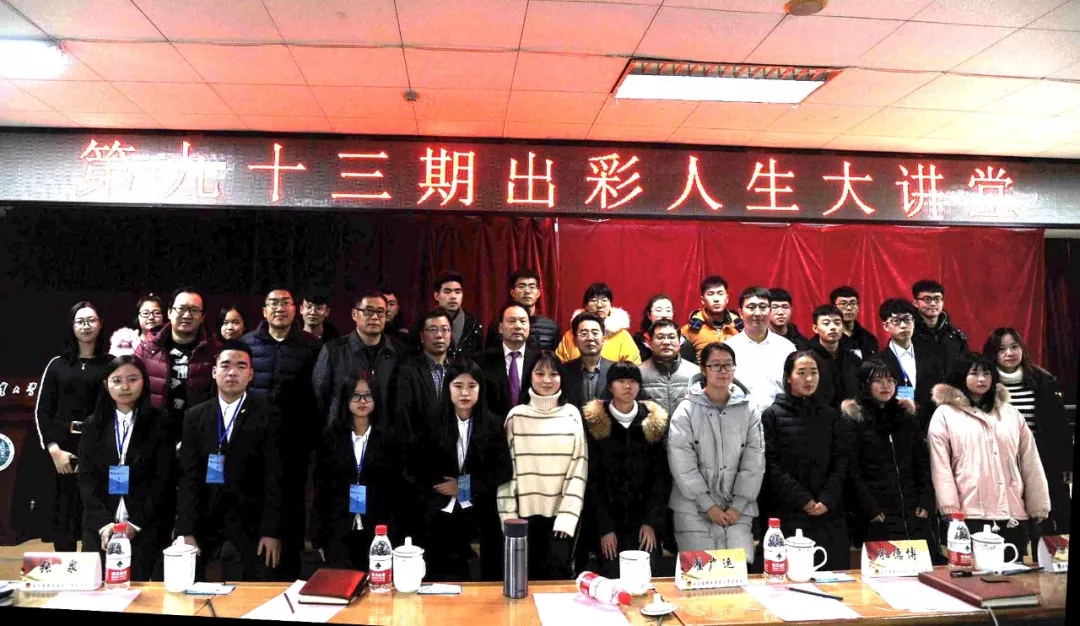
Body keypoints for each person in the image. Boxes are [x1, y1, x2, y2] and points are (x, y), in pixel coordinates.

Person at [176, 341, 283, 581]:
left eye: (241, 366)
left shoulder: (269, 414)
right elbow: (188, 477)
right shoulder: (195, 416)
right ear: (214, 372)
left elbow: (274, 477)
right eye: (225, 366)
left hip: (253, 525)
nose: (232, 372)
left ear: (251, 374)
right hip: (205, 523)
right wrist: (186, 531)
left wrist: (271, 531)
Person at [928, 353, 1051, 553]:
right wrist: (949, 508)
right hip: (969, 515)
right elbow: (940, 466)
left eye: (986, 373)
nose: (982, 379)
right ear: (961, 376)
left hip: (1012, 513)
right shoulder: (945, 414)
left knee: (1016, 569)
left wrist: (1038, 504)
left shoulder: (1010, 413)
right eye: (974, 373)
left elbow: (1030, 460)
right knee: (972, 571)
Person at [241, 287, 321, 579]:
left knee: (292, 509)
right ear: (264, 311)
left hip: (295, 443)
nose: (279, 308)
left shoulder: (312, 346)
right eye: (273, 303)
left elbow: (318, 395)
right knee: (253, 504)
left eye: (285, 303)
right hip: (252, 441)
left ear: (295, 309)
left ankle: (291, 576)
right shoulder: (247, 344)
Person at [77, 355, 173, 580]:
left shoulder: (160, 422)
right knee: (96, 590)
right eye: (117, 380)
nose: (125, 387)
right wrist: (104, 524)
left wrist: (135, 523)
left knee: (143, 593)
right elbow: (86, 479)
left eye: (132, 379)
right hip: (101, 528)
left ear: (144, 382)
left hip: (145, 527)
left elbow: (162, 479)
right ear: (106, 384)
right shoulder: (93, 424)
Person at [497, 352, 588, 580]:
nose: (547, 380)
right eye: (540, 373)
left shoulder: (572, 414)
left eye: (553, 374)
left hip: (560, 521)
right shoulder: (516, 417)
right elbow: (505, 473)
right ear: (530, 376)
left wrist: (567, 518)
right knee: (522, 584)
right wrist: (508, 517)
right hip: (522, 520)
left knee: (557, 586)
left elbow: (579, 470)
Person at [667, 343, 763, 559]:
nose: (723, 371)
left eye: (728, 365)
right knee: (701, 574)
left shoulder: (749, 409)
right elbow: (682, 463)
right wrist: (708, 505)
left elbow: (754, 461)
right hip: (693, 509)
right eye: (715, 365)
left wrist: (738, 505)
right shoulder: (686, 410)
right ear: (703, 369)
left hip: (738, 510)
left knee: (738, 572)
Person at [420, 360, 512, 581]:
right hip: (439, 511)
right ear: (448, 388)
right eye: (458, 386)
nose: (465, 393)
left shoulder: (493, 424)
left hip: (480, 512)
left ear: (480, 389)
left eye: (472, 386)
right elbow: (418, 468)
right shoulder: (431, 423)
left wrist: (462, 487)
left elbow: (502, 470)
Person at [761, 351, 850, 572]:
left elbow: (841, 460)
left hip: (828, 510)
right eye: (801, 373)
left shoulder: (831, 415)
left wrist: (827, 498)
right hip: (789, 510)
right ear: (788, 377)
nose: (809, 379)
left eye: (814, 372)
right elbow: (771, 464)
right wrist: (803, 499)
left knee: (833, 575)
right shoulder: (772, 415)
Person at [35, 301, 113, 551]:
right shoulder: (57, 364)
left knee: (96, 517)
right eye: (80, 321)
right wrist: (53, 449)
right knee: (64, 522)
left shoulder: (112, 364)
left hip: (99, 448)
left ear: (100, 324)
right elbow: (43, 411)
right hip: (63, 450)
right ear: (72, 326)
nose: (86, 326)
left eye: (91, 320)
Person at [582, 362, 670, 578]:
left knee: (645, 578)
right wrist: (605, 528)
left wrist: (651, 523)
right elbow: (593, 480)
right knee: (610, 577)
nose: (627, 386)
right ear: (610, 386)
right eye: (620, 381)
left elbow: (660, 478)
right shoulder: (595, 422)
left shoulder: (653, 422)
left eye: (633, 381)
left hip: (643, 523)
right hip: (607, 522)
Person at [984, 328, 1072, 540]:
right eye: (1002, 349)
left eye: (1014, 347)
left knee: (1049, 516)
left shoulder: (1043, 380)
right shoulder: (985, 383)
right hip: (1001, 461)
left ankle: (1050, 553)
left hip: (1042, 459)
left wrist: (1066, 463)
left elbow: (1059, 426)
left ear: (1022, 348)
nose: (1009, 353)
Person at [311, 373, 404, 570]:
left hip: (380, 531)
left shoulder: (390, 438)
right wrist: (318, 536)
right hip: (339, 529)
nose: (362, 401)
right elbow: (321, 489)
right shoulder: (331, 437)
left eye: (367, 395)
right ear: (346, 399)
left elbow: (397, 490)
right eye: (355, 395)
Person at [842, 359, 933, 546]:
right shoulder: (855, 420)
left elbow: (922, 462)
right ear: (865, 384)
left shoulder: (907, 417)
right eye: (878, 381)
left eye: (890, 380)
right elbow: (852, 470)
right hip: (877, 513)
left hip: (913, 510)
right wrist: (870, 508)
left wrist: (925, 500)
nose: (886, 385)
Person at [134, 286, 220, 444]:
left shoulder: (214, 351)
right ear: (169, 312)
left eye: (194, 310)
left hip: (198, 436)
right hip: (154, 436)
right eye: (181, 309)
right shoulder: (147, 349)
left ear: (203, 317)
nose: (187, 315)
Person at [312, 290, 400, 429]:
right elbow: (319, 397)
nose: (375, 317)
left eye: (380, 312)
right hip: (342, 433)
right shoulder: (333, 350)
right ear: (354, 314)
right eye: (368, 311)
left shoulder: (398, 352)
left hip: (385, 434)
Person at [874, 299, 943, 432]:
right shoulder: (878, 362)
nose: (903, 325)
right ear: (885, 326)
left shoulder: (930, 357)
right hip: (893, 428)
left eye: (907, 320)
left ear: (914, 322)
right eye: (896, 321)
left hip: (930, 427)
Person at [725, 287, 796, 411]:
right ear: (740, 312)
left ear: (770, 311)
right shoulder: (728, 349)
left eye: (763, 307)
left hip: (779, 418)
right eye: (751, 307)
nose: (757, 313)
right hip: (739, 416)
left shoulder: (786, 347)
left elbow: (794, 388)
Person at [393, 308, 453, 442]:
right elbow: (404, 420)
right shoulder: (408, 371)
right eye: (433, 329)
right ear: (421, 336)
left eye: (445, 329)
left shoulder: (459, 370)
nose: (439, 335)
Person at [478, 303, 539, 420]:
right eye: (512, 321)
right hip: (493, 427)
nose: (518, 326)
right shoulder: (482, 361)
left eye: (523, 321)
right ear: (500, 328)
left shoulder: (539, 360)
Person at [556, 282, 641, 364]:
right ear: (586, 306)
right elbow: (559, 366)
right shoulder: (571, 335)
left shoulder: (622, 336)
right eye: (593, 300)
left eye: (604, 300)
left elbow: (633, 367)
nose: (599, 305)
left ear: (610, 305)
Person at [486, 269, 560, 352]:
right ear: (513, 292)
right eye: (522, 287)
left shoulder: (551, 327)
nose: (527, 291)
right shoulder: (498, 325)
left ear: (538, 293)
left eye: (532, 287)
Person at [640, 319, 700, 416]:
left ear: (679, 341)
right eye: (660, 337)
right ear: (650, 342)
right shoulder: (639, 373)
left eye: (671, 337)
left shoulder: (695, 373)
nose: (666, 342)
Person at [807, 304, 862, 410]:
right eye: (826, 323)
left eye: (837, 323)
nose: (833, 327)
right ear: (815, 328)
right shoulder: (807, 360)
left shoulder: (854, 360)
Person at [912, 279, 969, 376]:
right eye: (927, 299)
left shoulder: (956, 337)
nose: (933, 303)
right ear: (915, 303)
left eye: (937, 299)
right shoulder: (907, 336)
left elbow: (965, 371)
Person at [681, 275, 742, 363]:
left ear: (727, 298)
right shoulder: (689, 330)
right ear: (702, 300)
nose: (716, 299)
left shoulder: (740, 327)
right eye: (711, 294)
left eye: (720, 293)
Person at [562, 312, 614, 410]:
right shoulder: (563, 371)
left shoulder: (615, 370)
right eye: (584, 334)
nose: (590, 338)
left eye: (595, 333)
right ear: (574, 341)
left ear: (604, 339)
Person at [434, 271, 484, 361]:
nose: (453, 296)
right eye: (447, 292)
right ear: (437, 296)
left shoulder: (473, 325)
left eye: (457, 292)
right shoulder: (426, 324)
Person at [830, 286, 879, 360]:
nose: (849, 308)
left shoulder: (868, 338)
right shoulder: (827, 338)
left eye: (853, 303)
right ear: (833, 308)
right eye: (843, 304)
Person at [633, 294, 679, 361]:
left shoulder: (683, 342)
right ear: (649, 315)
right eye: (658, 310)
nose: (664, 315)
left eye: (668, 310)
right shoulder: (637, 342)